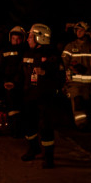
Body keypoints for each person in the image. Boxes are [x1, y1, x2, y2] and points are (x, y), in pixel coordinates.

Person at [21, 24, 64, 168]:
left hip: (45, 97)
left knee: (46, 126)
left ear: (41, 37)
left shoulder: (52, 56)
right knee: (28, 124)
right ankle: (33, 148)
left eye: (31, 36)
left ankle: (49, 156)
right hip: (29, 96)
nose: (27, 39)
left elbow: (60, 77)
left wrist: (45, 74)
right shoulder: (27, 53)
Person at [62, 21, 91, 129]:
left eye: (81, 30)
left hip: (89, 86)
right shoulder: (70, 47)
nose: (78, 32)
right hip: (75, 84)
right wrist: (65, 82)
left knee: (89, 108)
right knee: (78, 105)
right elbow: (63, 65)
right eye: (77, 30)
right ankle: (80, 126)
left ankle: (88, 127)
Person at [0, 26, 27, 137]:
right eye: (14, 38)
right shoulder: (4, 50)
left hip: (20, 83)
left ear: (22, 39)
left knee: (17, 106)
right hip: (6, 82)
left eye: (18, 38)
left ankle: (17, 129)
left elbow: (23, 70)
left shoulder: (26, 51)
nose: (16, 41)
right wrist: (3, 82)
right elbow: (0, 67)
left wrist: (15, 82)